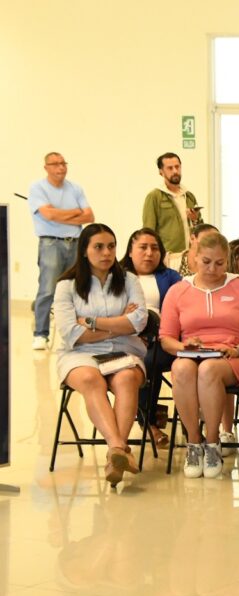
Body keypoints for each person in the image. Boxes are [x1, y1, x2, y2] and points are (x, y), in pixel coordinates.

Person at [159, 232, 239, 479]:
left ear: (227, 261)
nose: (212, 269)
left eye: (219, 263)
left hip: (234, 357)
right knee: (181, 368)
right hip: (193, 355)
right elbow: (166, 338)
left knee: (208, 370)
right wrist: (184, 345)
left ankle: (213, 442)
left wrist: (238, 349)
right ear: (194, 258)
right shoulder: (179, 291)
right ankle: (193, 443)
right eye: (206, 262)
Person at [53, 224, 147, 485]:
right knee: (89, 379)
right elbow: (71, 333)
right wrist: (119, 324)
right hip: (79, 354)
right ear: (84, 250)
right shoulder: (66, 286)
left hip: (124, 350)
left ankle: (115, 455)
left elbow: (139, 321)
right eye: (99, 247)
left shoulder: (129, 280)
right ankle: (118, 448)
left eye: (111, 246)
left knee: (127, 378)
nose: (107, 252)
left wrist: (92, 323)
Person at [120, 228, 182, 448]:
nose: (149, 253)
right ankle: (149, 425)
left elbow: (184, 309)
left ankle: (162, 421)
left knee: (149, 360)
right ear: (130, 251)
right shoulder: (116, 277)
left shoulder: (171, 278)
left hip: (163, 340)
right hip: (123, 340)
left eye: (155, 248)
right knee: (138, 361)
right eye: (143, 247)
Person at [28, 152, 95, 351]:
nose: (61, 167)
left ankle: (76, 333)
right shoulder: (38, 188)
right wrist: (75, 212)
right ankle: (41, 334)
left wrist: (58, 214)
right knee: (48, 289)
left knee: (77, 288)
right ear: (46, 167)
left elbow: (89, 216)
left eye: (63, 163)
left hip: (75, 243)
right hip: (51, 243)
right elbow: (48, 215)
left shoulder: (75, 188)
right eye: (55, 164)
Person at [142, 152, 202, 272]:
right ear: (161, 172)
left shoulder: (189, 196)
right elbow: (148, 232)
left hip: (190, 257)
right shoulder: (154, 197)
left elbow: (200, 228)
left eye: (177, 167)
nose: (175, 171)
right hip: (168, 258)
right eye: (170, 168)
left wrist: (195, 219)